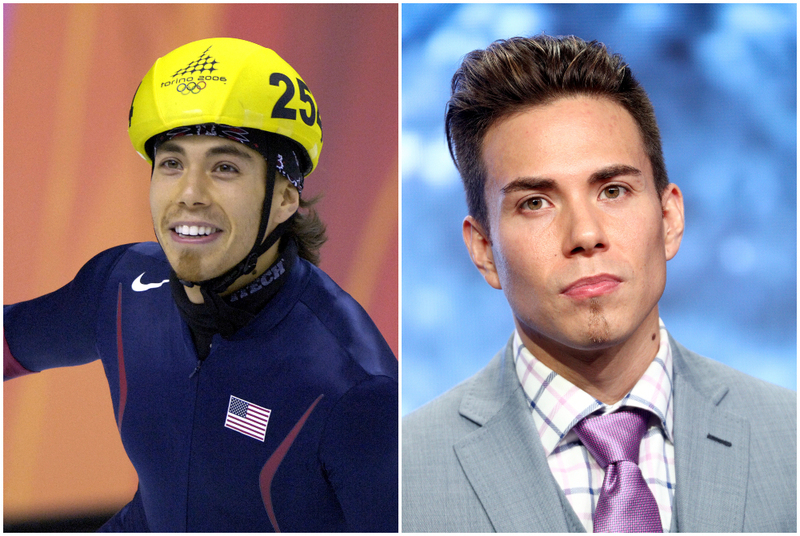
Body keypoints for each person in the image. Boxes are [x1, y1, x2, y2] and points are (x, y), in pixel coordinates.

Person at [402, 34, 795, 533]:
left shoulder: (790, 439)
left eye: (613, 190)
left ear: (669, 217)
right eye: (535, 203)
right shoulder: (404, 475)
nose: (585, 235)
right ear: (484, 251)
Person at [4, 37, 398, 532]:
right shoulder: (120, 286)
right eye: (171, 163)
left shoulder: (356, 388)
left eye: (225, 166)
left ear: (283, 199)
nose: (189, 194)